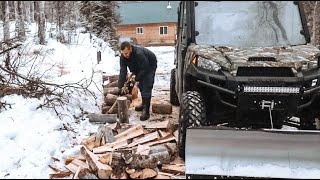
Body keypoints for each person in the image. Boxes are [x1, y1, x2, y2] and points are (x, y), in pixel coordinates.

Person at [117, 41, 157, 121]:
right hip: (139, 66)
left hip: (149, 65)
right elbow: (123, 71)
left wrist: (136, 78)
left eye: (127, 53)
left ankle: (146, 111)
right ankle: (143, 104)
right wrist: (120, 87)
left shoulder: (139, 54)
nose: (126, 55)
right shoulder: (123, 57)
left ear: (130, 49)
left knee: (146, 85)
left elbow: (145, 68)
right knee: (140, 85)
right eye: (124, 54)